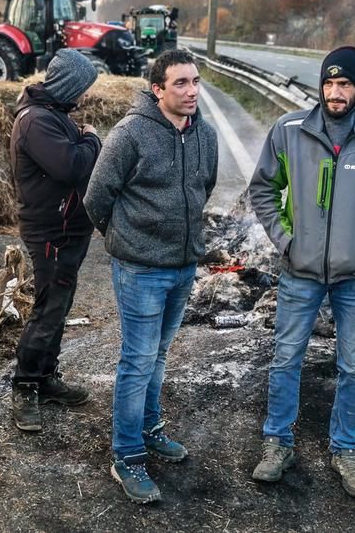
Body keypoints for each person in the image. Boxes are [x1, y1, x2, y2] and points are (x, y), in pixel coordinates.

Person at [248, 45, 355, 498]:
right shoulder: (289, 131)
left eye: (344, 84)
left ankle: (346, 449)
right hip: (299, 274)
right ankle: (277, 443)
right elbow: (263, 189)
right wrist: (286, 241)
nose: (334, 92)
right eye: (329, 82)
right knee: (286, 359)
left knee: (354, 367)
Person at [84, 48, 219, 504]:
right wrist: (125, 240)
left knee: (158, 357)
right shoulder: (130, 134)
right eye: (180, 83)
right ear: (157, 89)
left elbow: (204, 188)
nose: (191, 91)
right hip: (140, 268)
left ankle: (149, 427)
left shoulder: (206, 135)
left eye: (196, 81)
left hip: (183, 265)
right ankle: (126, 456)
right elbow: (96, 198)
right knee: (137, 360)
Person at [8, 48, 103, 432]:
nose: (84, 97)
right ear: (68, 85)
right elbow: (72, 165)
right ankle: (25, 385)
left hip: (68, 229)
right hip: (51, 232)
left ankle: (45, 377)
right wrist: (92, 139)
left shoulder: (54, 115)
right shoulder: (36, 122)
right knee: (48, 309)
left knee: (59, 306)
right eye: (82, 88)